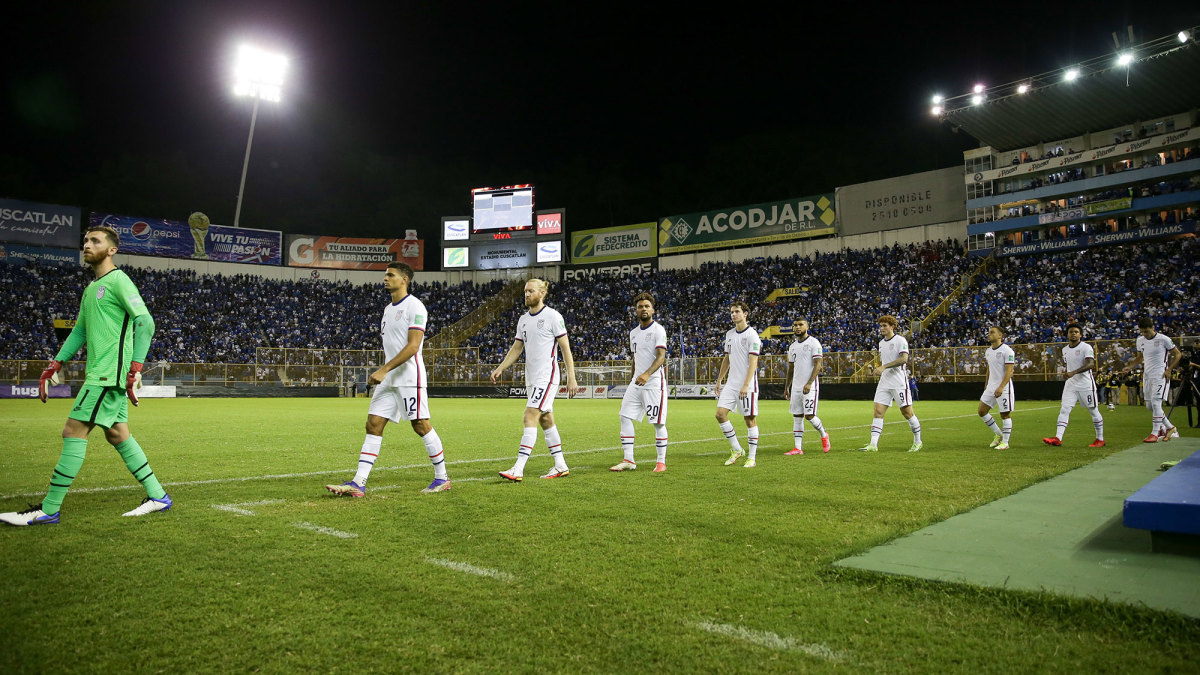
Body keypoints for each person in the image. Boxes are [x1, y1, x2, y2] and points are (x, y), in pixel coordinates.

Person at [1, 226, 171, 526]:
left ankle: (48, 509)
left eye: (95, 241)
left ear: (112, 249)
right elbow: (79, 331)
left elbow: (145, 322)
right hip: (103, 374)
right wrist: (56, 364)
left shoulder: (119, 280)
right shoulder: (91, 289)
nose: (87, 245)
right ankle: (158, 496)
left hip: (107, 376)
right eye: (85, 241)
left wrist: (135, 368)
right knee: (117, 434)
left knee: (72, 431)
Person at [326, 262, 449, 497]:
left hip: (409, 377)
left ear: (404, 279)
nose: (386, 278)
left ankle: (442, 478)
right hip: (389, 379)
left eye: (390, 275)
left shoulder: (416, 306)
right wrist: (386, 372)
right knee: (373, 424)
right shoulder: (387, 309)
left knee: (420, 425)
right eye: (385, 275)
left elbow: (413, 346)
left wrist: (384, 369)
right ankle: (358, 483)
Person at [490, 279, 581, 481]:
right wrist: (500, 368)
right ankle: (560, 465)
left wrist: (571, 378)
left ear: (542, 293)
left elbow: (565, 348)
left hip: (546, 376)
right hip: (531, 378)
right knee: (546, 419)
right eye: (525, 291)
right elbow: (517, 348)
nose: (526, 294)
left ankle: (518, 468)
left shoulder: (553, 316)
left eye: (531, 291)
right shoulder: (523, 320)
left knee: (529, 415)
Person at [611, 292, 669, 473]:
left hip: (653, 383)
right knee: (624, 415)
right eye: (640, 307)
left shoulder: (658, 330)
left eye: (646, 306)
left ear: (653, 309)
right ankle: (629, 459)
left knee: (658, 423)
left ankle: (661, 462)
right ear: (635, 310)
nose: (643, 309)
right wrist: (633, 378)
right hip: (636, 383)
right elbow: (635, 358)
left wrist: (646, 374)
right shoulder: (633, 333)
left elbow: (661, 358)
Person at [859, 315, 923, 452]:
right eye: (881, 326)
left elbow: (904, 359)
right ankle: (873, 445)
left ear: (892, 326)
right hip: (884, 382)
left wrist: (884, 366)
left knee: (907, 413)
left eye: (885, 326)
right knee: (878, 411)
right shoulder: (881, 343)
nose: (882, 328)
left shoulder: (900, 340)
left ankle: (918, 441)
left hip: (899, 382)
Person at [1042, 323, 1105, 448]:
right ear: (1067, 334)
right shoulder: (1064, 349)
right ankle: (1058, 438)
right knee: (1064, 409)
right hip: (1071, 384)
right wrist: (1068, 373)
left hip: (1085, 384)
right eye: (1071, 332)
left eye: (1076, 332)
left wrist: (1073, 372)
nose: (1073, 334)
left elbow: (1091, 364)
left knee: (1093, 410)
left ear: (1080, 334)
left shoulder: (1086, 347)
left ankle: (1100, 439)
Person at [715, 301, 761, 468]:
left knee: (749, 419)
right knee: (720, 414)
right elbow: (727, 358)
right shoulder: (729, 334)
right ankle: (737, 449)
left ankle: (752, 457)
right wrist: (720, 379)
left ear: (745, 314)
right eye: (732, 312)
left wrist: (746, 384)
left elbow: (753, 361)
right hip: (731, 383)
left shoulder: (752, 335)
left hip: (746, 384)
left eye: (737, 311)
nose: (733, 314)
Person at [1125, 317, 1183, 442]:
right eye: (1142, 332)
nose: (1145, 334)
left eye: (1147, 331)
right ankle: (1170, 427)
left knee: (1156, 403)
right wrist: (1130, 366)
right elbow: (1140, 358)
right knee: (1150, 406)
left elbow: (1178, 354)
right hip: (1147, 375)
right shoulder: (1140, 340)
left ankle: (1155, 433)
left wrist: (1169, 370)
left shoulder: (1164, 339)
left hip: (1160, 375)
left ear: (1153, 328)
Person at [783, 318, 830, 455]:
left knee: (809, 415)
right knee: (797, 416)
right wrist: (787, 387)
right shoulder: (792, 346)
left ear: (807, 326)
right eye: (795, 325)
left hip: (810, 386)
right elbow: (790, 369)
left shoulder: (814, 343)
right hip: (796, 387)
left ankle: (823, 435)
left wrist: (809, 383)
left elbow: (818, 365)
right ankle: (798, 448)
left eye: (800, 325)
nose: (797, 327)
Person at [977, 326, 1016, 450]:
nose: (989, 334)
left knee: (1005, 414)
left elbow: (1010, 371)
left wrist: (1001, 387)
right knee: (982, 411)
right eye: (989, 332)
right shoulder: (988, 351)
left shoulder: (1007, 351)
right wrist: (986, 384)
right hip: (991, 387)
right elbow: (989, 368)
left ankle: (1005, 442)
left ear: (1000, 336)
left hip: (1003, 387)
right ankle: (999, 434)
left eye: (992, 333)